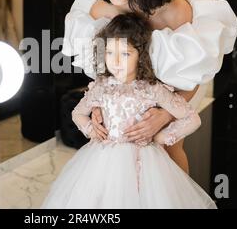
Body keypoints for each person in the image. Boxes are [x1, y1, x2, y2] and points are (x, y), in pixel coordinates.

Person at [62, 0, 237, 173]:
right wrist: (102, 104)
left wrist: (165, 114)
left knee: (169, 148)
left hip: (173, 88)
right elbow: (109, 67)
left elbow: (192, 76)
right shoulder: (104, 8)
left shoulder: (174, 11)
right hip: (131, 84)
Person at [42, 13, 216, 208]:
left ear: (140, 56)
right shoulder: (101, 86)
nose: (115, 61)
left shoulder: (152, 89)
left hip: (145, 162)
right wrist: (92, 130)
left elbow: (192, 119)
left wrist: (161, 137)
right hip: (103, 159)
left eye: (125, 54)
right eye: (109, 53)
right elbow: (77, 113)